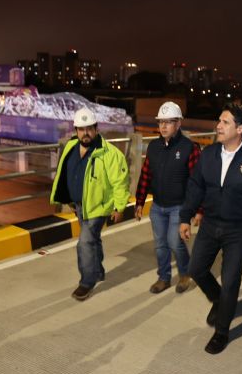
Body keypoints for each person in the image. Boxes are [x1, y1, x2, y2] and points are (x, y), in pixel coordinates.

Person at [179, 103, 242, 355]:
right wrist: (185, 216)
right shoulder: (209, 154)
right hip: (210, 224)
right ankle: (220, 300)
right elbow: (195, 186)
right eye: (218, 121)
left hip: (239, 229)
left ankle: (222, 332)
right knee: (196, 269)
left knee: (231, 280)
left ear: (240, 129)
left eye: (225, 122)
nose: (218, 126)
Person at [50, 107, 130, 301]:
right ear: (76, 130)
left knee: (84, 242)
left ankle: (87, 282)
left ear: (96, 129)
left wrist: (119, 207)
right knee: (93, 240)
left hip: (99, 206)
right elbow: (65, 173)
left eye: (89, 129)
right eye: (81, 129)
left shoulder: (109, 153)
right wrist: (66, 197)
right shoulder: (70, 147)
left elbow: (120, 181)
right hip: (79, 205)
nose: (85, 133)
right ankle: (99, 270)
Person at [135, 102, 201, 294]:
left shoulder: (190, 148)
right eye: (161, 122)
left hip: (179, 207)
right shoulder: (154, 147)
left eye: (168, 122)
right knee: (161, 246)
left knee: (175, 242)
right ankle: (163, 278)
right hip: (157, 207)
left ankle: (185, 273)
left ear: (178, 124)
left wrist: (198, 209)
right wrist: (140, 201)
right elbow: (146, 175)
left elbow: (196, 183)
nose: (163, 126)